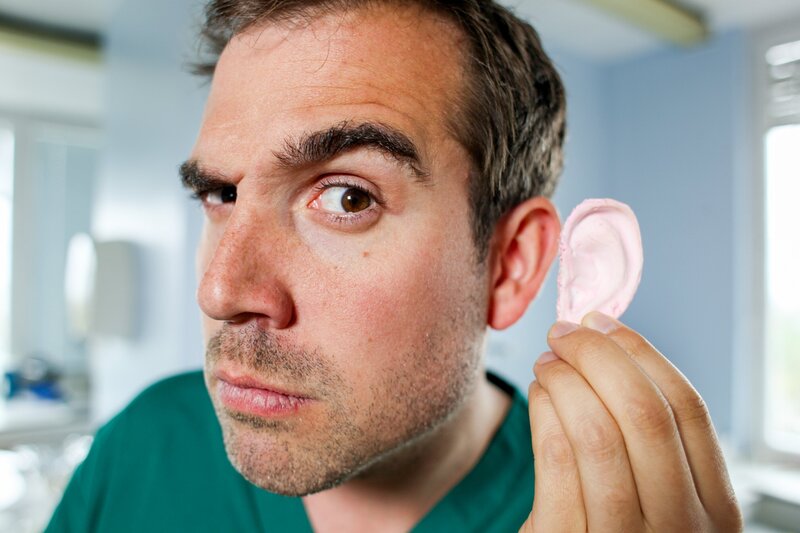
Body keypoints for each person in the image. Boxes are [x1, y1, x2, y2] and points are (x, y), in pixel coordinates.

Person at [46, 0, 742, 531]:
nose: (220, 290)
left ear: (509, 265)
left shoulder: (607, 513)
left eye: (348, 197)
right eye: (222, 194)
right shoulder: (143, 442)